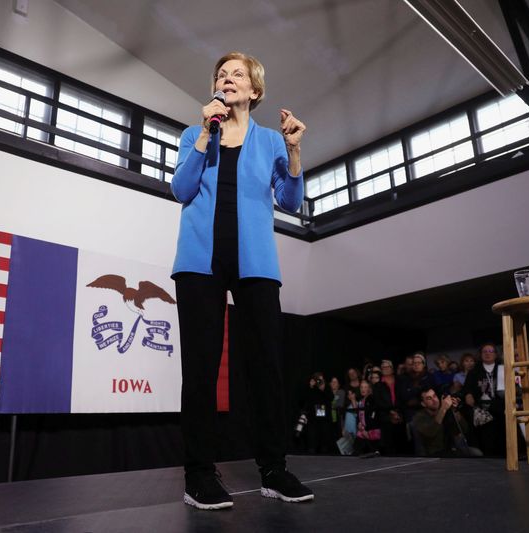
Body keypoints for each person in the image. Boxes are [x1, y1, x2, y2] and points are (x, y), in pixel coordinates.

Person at [171, 51, 312, 509]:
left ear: (254, 90)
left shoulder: (271, 140)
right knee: (200, 369)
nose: (227, 80)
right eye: (221, 75)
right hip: (200, 265)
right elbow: (181, 190)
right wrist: (202, 137)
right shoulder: (196, 133)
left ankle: (274, 470)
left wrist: (293, 150)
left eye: (237, 75)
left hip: (255, 265)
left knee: (266, 368)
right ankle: (199, 475)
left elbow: (291, 201)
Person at [412, 388, 482, 457]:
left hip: (451, 449)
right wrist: (443, 408)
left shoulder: (445, 411)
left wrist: (455, 410)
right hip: (434, 453)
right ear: (423, 404)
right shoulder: (419, 417)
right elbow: (431, 432)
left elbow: (464, 429)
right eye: (429, 398)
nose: (434, 400)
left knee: (477, 453)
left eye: (434, 396)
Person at [463, 343, 505, 456]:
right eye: (484, 351)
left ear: (496, 354)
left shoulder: (503, 369)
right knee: (487, 440)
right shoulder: (473, 371)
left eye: (491, 351)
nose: (487, 353)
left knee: (502, 437)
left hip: (501, 407)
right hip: (482, 409)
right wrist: (468, 394)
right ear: (480, 355)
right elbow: (467, 388)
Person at [373, 359, 407, 454]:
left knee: (401, 445)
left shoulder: (400, 381)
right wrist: (391, 412)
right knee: (389, 446)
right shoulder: (377, 385)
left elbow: (403, 397)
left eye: (387, 367)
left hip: (400, 416)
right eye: (382, 367)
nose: (384, 369)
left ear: (392, 369)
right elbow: (378, 402)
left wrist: (398, 413)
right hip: (386, 418)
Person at [354, 379, 381, 455]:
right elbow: (359, 415)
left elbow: (373, 416)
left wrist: (366, 430)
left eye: (365, 387)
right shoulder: (360, 401)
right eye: (361, 387)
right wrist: (359, 423)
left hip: (371, 431)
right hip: (362, 431)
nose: (363, 389)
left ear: (369, 388)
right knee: (356, 449)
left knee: (373, 452)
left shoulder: (372, 399)